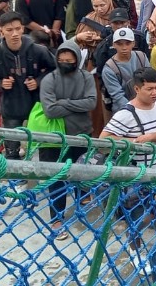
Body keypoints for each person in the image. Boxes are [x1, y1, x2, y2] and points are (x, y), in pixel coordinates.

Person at [38, 39, 97, 240]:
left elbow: (91, 102)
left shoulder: (86, 77)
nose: (65, 63)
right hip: (54, 139)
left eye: (69, 60)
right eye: (61, 59)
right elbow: (50, 110)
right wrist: (75, 105)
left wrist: (64, 102)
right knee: (57, 179)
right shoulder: (49, 80)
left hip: (81, 134)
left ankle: (82, 199)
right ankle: (56, 218)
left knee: (82, 171)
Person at [0, 12, 57, 158]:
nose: (14, 34)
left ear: (22, 29)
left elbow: (55, 68)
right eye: (9, 30)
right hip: (11, 106)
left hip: (37, 104)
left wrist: (38, 81)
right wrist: (0, 83)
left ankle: (45, 176)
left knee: (44, 144)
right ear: (1, 32)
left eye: (17, 29)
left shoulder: (37, 50)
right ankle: (16, 177)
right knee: (11, 147)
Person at [101, 68, 156, 167]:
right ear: (137, 89)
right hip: (134, 176)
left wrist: (150, 137)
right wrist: (134, 142)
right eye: (149, 89)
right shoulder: (125, 114)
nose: (155, 92)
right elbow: (103, 140)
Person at [101, 27, 151, 115]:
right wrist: (137, 110)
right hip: (124, 111)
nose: (124, 47)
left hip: (146, 103)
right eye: (119, 44)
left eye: (128, 43)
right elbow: (118, 97)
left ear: (133, 43)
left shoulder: (142, 57)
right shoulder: (109, 68)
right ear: (114, 45)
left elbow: (150, 81)